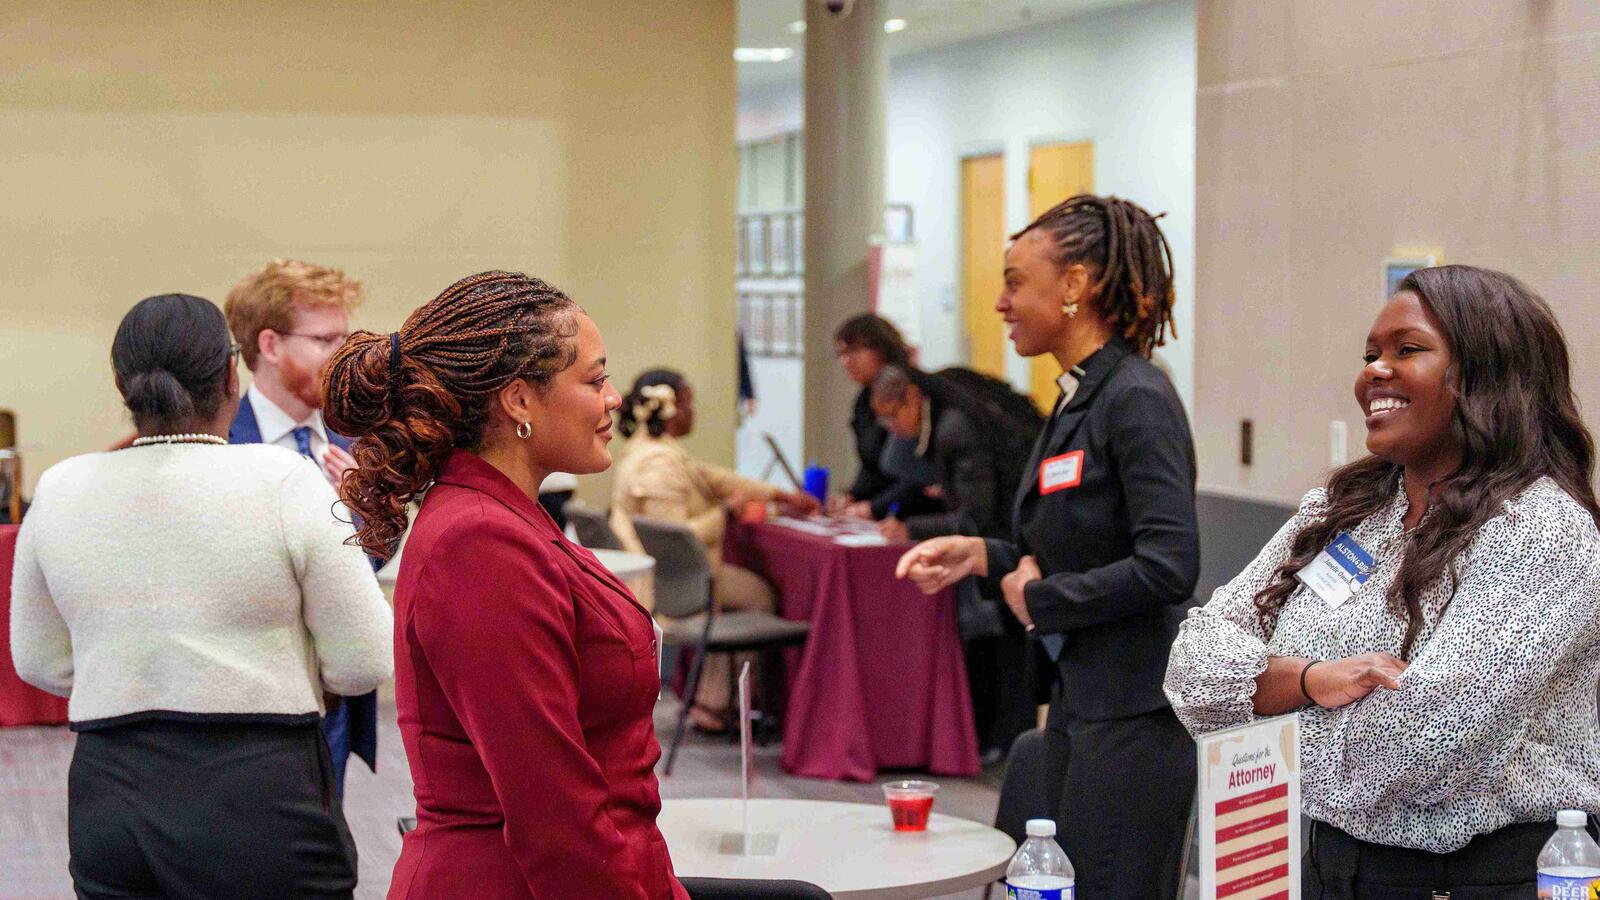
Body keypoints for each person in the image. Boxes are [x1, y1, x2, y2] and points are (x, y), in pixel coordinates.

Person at [1165, 265, 1600, 897]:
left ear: (1487, 374)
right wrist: (1315, 680)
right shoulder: (1346, 510)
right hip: (1332, 865)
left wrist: (1265, 714)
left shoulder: (1542, 529)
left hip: (1480, 878)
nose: (1374, 371)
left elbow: (1421, 747)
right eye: (1371, 354)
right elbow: (1190, 667)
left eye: (1408, 350)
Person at [10, 293, 392, 899]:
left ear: (121, 385)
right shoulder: (287, 481)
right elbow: (365, 660)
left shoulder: (62, 487)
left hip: (112, 791)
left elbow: (38, 662)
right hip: (262, 789)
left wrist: (138, 669)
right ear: (230, 377)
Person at [322, 271, 689, 899]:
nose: (613, 398)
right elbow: (553, 809)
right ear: (519, 400)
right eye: (595, 379)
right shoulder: (479, 543)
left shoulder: (503, 518)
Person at [896, 194, 1198, 899]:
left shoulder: (1136, 397)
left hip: (1133, 714)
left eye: (1013, 281)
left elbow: (1171, 565)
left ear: (1074, 286)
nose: (1000, 302)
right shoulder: (1077, 397)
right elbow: (1072, 542)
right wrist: (980, 555)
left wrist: (1039, 600)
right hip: (1078, 699)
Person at [224, 257, 377, 798]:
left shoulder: (355, 439)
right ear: (269, 345)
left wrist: (364, 509)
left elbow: (375, 563)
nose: (344, 356)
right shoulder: (219, 446)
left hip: (335, 695)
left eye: (345, 337)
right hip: (245, 702)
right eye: (325, 340)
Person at [609, 369, 818, 732]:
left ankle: (717, 699)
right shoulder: (657, 463)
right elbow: (678, 536)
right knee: (757, 596)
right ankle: (717, 702)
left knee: (748, 595)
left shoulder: (652, 451)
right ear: (671, 409)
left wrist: (776, 494)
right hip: (676, 582)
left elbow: (715, 478)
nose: (694, 412)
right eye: (688, 403)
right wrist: (724, 512)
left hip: (681, 576)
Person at [870, 363, 1041, 756]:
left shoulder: (954, 430)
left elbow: (975, 517)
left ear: (913, 397)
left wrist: (911, 530)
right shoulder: (948, 418)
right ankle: (1005, 741)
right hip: (1007, 536)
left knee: (1009, 649)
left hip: (1007, 544)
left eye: (893, 415)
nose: (891, 427)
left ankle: (1009, 745)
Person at [831, 314, 937, 520]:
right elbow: (872, 464)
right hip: (888, 510)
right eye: (841, 354)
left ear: (882, 349)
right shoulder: (863, 401)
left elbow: (920, 473)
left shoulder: (910, 391)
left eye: (854, 351)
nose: (846, 361)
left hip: (921, 512)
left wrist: (874, 507)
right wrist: (853, 496)